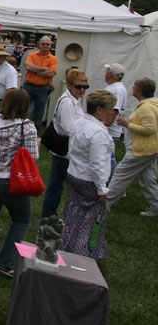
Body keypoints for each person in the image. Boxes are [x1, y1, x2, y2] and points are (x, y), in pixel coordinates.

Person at [0, 89, 39, 277]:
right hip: (10, 179)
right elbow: (32, 157)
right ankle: (6, 261)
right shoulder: (26, 127)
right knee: (22, 219)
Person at [62, 89, 117, 260]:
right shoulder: (98, 133)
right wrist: (102, 188)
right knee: (89, 221)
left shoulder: (79, 123)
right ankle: (82, 256)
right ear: (99, 110)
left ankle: (66, 246)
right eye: (110, 109)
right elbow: (97, 164)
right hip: (88, 179)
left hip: (74, 174)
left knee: (73, 214)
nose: (112, 113)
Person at [41, 68, 88, 218]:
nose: (82, 90)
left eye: (85, 86)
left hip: (67, 150)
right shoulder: (67, 102)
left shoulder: (75, 99)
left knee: (57, 184)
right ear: (69, 85)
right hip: (64, 150)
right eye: (78, 86)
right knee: (61, 185)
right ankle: (51, 214)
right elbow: (69, 128)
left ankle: (50, 214)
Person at [107, 78, 158, 216]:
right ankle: (156, 207)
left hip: (141, 151)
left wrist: (127, 124)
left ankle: (105, 203)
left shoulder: (146, 107)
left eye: (135, 86)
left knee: (120, 175)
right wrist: (131, 138)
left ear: (140, 91)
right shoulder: (153, 103)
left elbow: (149, 128)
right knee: (148, 179)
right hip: (150, 149)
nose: (132, 88)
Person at [23, 35, 57, 130]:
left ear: (51, 46)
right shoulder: (31, 55)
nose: (45, 46)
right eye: (43, 44)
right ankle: (23, 132)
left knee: (39, 114)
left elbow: (51, 73)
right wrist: (43, 69)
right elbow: (28, 67)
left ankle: (35, 136)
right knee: (24, 111)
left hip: (43, 88)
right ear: (39, 45)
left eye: (47, 44)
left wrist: (34, 70)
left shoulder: (53, 59)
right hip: (28, 86)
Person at [103, 63, 127, 180]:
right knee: (107, 157)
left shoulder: (117, 89)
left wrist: (105, 124)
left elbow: (115, 110)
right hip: (109, 129)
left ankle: (115, 184)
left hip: (110, 130)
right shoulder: (115, 87)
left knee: (109, 158)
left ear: (110, 73)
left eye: (107, 70)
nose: (105, 72)